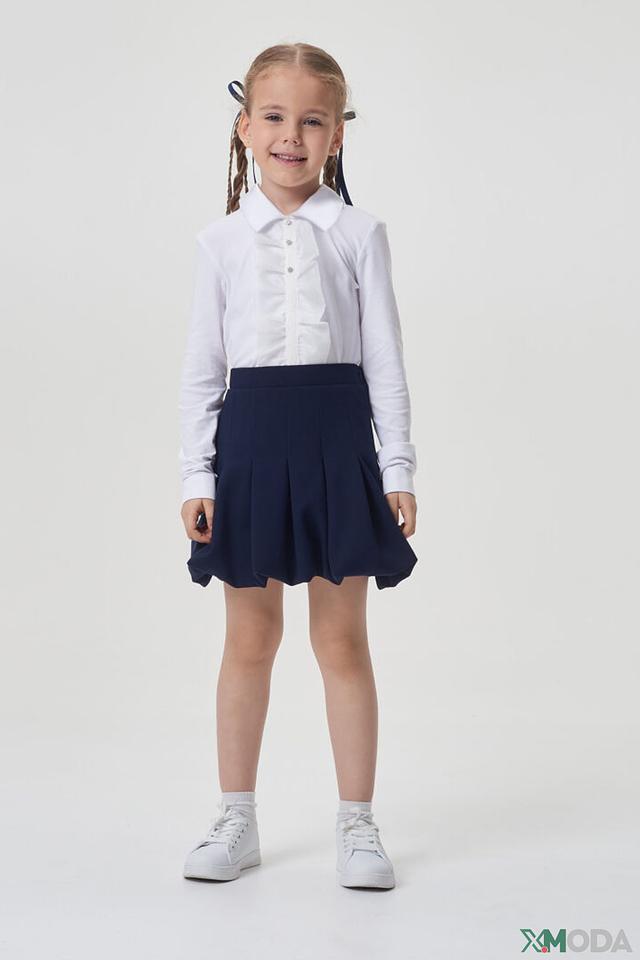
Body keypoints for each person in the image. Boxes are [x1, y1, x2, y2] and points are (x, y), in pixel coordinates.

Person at [178, 42, 418, 890]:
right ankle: (236, 818)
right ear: (245, 127)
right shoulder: (219, 241)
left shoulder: (358, 233)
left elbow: (384, 358)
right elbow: (203, 369)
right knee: (249, 639)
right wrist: (198, 476)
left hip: (337, 445)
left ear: (336, 135)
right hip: (249, 448)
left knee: (341, 640)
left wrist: (398, 468)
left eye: (312, 121)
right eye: (274, 117)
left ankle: (358, 823)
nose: (291, 135)